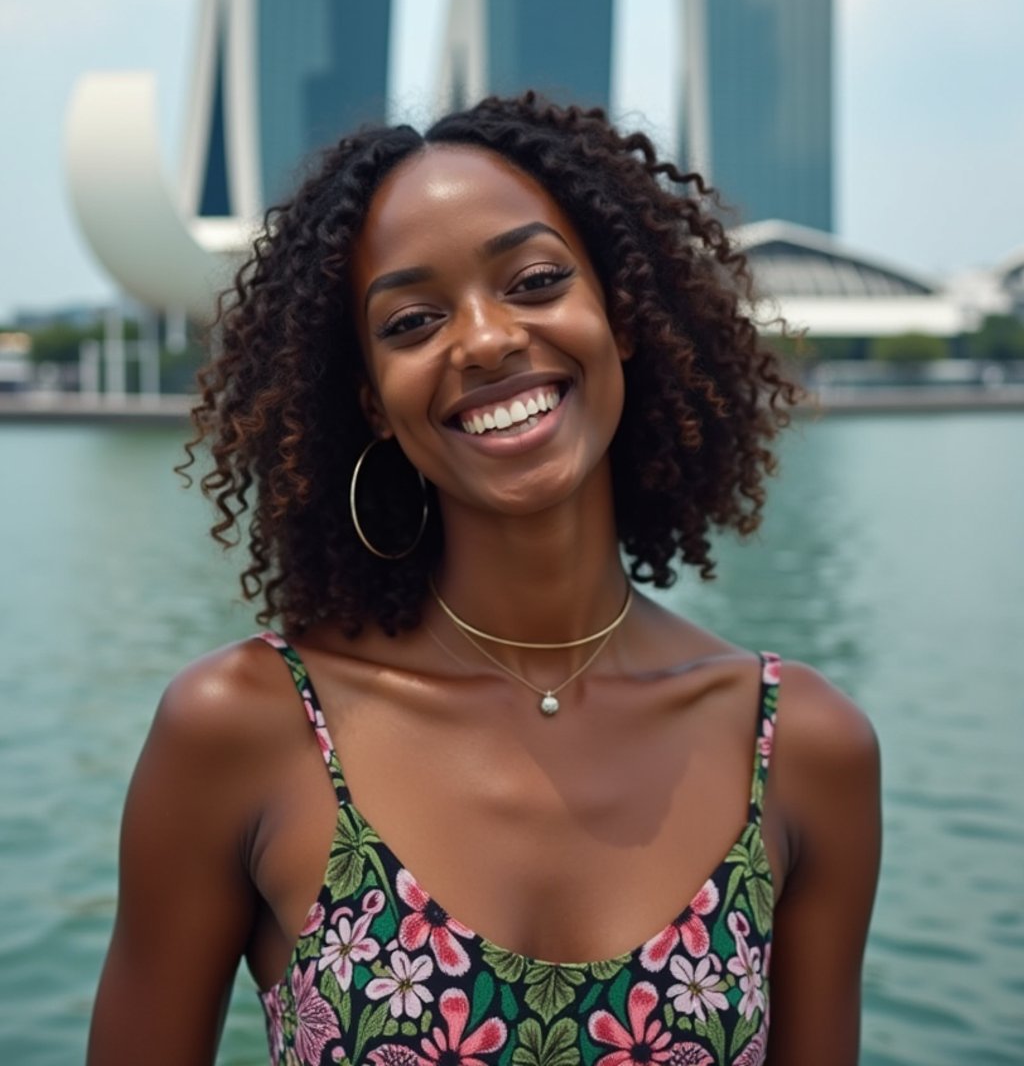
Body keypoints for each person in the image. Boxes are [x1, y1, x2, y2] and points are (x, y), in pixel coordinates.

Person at [88, 93, 881, 1066]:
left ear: (621, 315)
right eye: (413, 320)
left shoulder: (801, 747)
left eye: (536, 280)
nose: (486, 339)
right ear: (372, 401)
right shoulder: (246, 729)